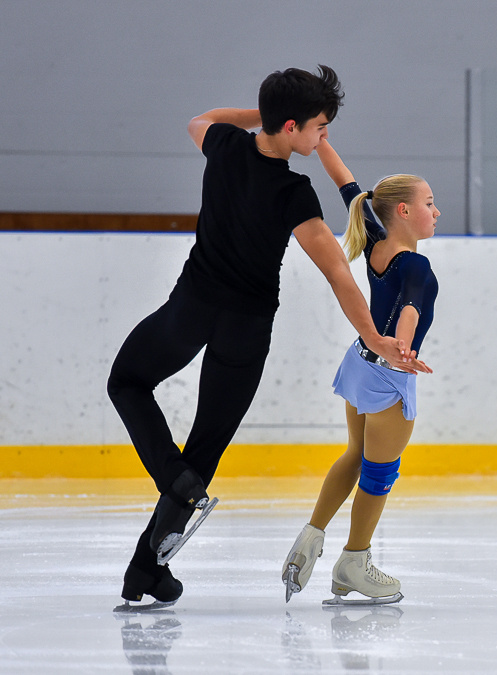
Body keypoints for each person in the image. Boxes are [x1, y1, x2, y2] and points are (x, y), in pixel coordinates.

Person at [107, 66, 427, 609]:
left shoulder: (224, 145)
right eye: (318, 126)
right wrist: (374, 336)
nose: (322, 136)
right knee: (204, 448)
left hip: (190, 308)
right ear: (292, 126)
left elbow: (200, 119)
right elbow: (337, 273)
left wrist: (266, 113)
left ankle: (150, 558)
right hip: (247, 329)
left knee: (127, 383)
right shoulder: (294, 192)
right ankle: (153, 549)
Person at [282, 139, 439, 605]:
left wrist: (320, 141)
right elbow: (410, 306)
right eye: (429, 203)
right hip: (388, 377)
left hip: (359, 363)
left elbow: (346, 183)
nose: (436, 212)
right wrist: (403, 349)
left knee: (354, 454)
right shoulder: (416, 263)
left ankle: (311, 535)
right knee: (379, 473)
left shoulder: (374, 238)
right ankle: (354, 561)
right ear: (404, 211)